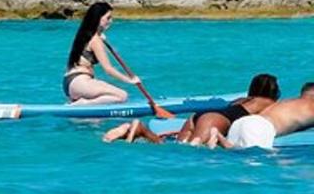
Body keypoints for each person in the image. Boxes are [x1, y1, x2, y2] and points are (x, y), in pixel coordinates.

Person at [102, 73, 279, 145]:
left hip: (199, 117)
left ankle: (141, 130)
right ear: (273, 91)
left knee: (178, 147)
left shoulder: (243, 99)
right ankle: (139, 129)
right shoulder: (268, 103)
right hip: (215, 120)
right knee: (194, 150)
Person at [63, 2, 140, 104]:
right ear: (98, 18)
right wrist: (129, 80)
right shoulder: (95, 40)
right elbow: (108, 69)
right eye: (108, 18)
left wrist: (100, 36)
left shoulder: (84, 34)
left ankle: (81, 104)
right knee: (122, 96)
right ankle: (82, 104)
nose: (111, 21)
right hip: (80, 81)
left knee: (95, 120)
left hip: (70, 83)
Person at [212, 82, 314, 150]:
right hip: (259, 128)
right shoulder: (311, 105)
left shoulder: (289, 103)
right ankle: (219, 138)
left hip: (241, 124)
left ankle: (219, 137)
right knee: (259, 163)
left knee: (237, 156)